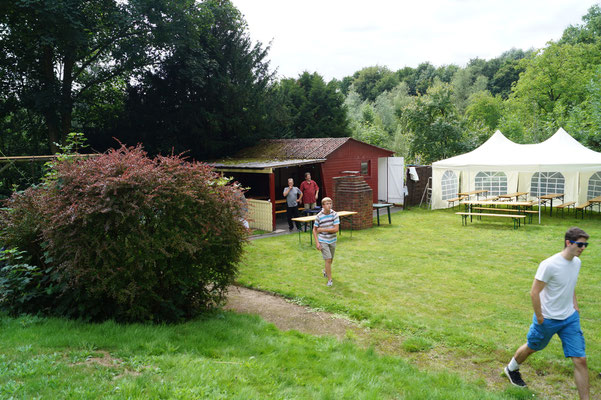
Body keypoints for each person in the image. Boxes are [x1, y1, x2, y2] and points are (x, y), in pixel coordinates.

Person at [503, 227, 590, 400]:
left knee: (580, 359)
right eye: (580, 244)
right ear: (568, 242)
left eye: (585, 245)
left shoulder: (576, 263)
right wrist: (541, 317)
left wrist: (575, 305)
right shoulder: (549, 265)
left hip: (569, 319)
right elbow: (534, 292)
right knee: (532, 347)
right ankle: (511, 368)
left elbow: (570, 285)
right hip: (548, 319)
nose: (583, 248)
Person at [312, 197, 339, 287]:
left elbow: (336, 229)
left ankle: (325, 270)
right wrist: (317, 243)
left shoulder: (334, 214)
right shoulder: (319, 216)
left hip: (332, 240)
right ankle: (330, 280)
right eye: (327, 204)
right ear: (323, 205)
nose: (329, 205)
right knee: (327, 259)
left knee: (330, 260)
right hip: (323, 240)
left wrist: (323, 229)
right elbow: (315, 230)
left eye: (330, 203)